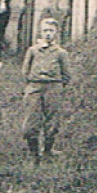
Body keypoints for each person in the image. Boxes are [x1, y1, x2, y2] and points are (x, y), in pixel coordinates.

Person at [20, 18, 71, 163]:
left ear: (56, 33)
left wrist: (56, 85)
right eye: (45, 31)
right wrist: (32, 84)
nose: (48, 34)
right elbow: (25, 71)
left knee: (52, 122)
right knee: (31, 122)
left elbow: (67, 75)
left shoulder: (61, 53)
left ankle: (48, 151)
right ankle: (33, 154)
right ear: (40, 32)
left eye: (51, 31)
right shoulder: (33, 51)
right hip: (34, 87)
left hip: (54, 87)